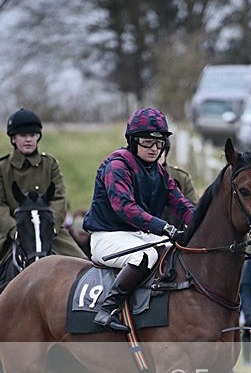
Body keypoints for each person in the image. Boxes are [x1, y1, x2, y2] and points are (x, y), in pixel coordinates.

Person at [84, 107, 195, 333]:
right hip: (108, 236)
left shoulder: (159, 172)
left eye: (159, 143)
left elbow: (181, 203)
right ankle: (107, 309)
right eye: (147, 142)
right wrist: (164, 227)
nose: (155, 149)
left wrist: (200, 224)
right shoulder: (117, 165)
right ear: (133, 141)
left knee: (175, 252)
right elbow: (125, 208)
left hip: (137, 235)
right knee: (145, 255)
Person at [0, 108, 87, 263]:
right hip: (12, 230)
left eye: (32, 135)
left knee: (82, 263)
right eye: (23, 135)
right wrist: (14, 230)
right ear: (13, 139)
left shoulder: (50, 164)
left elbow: (59, 197)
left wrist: (50, 226)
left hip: (48, 228)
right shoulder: (3, 167)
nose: (28, 140)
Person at [158, 140, 199, 205]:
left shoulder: (181, 178)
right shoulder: (136, 176)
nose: (154, 150)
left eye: (159, 146)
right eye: (148, 144)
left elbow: (195, 210)